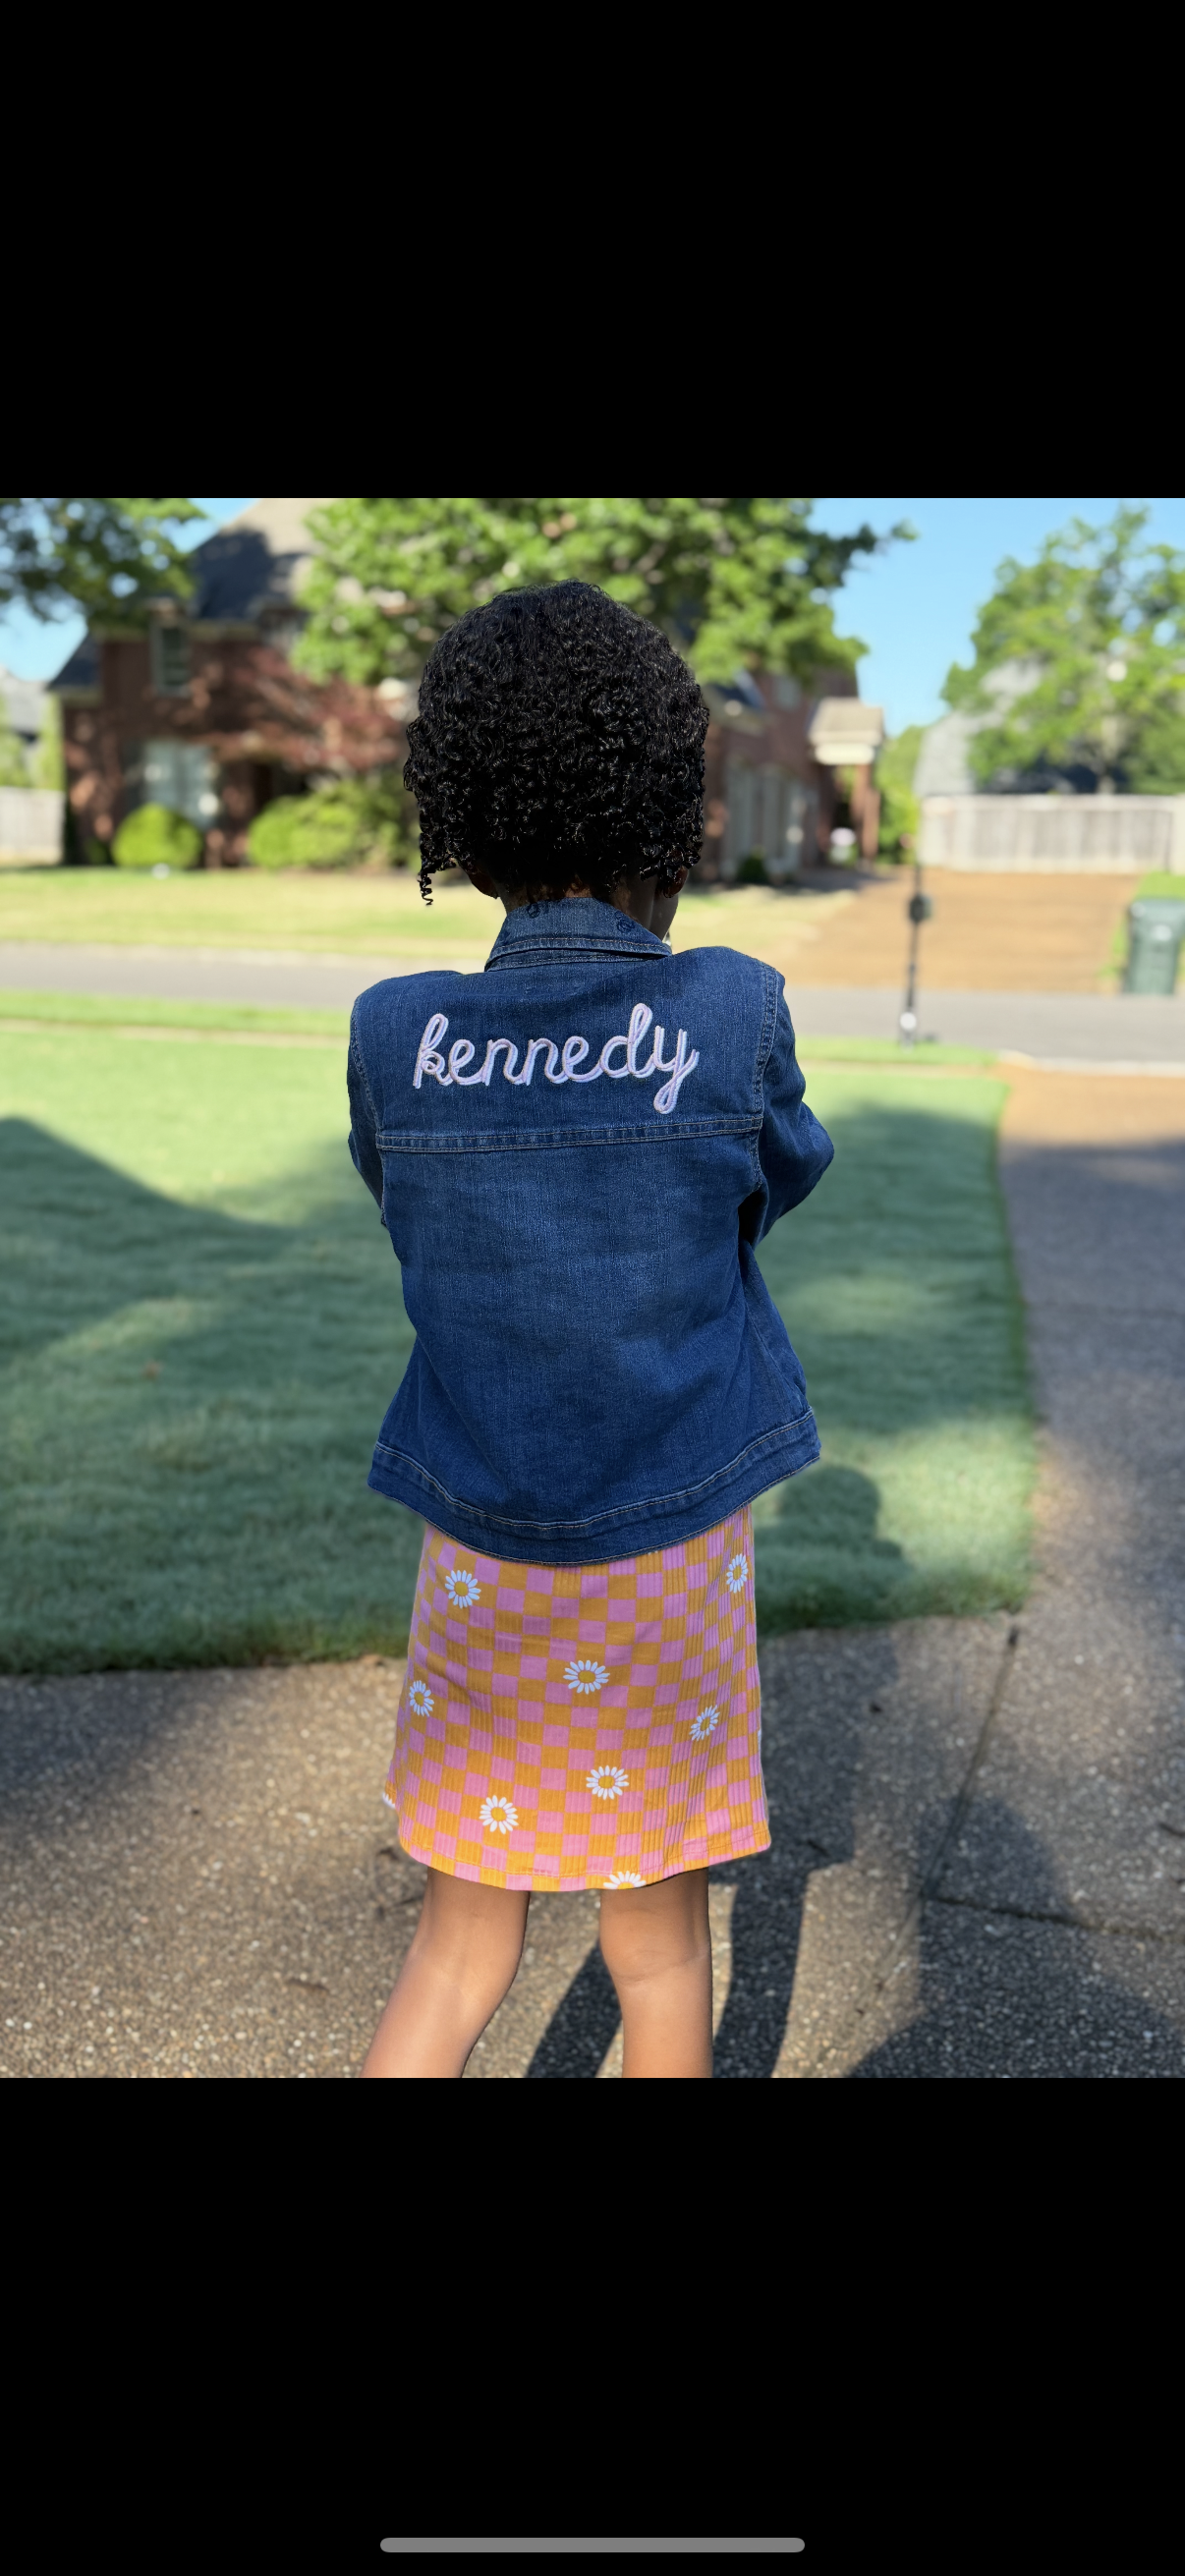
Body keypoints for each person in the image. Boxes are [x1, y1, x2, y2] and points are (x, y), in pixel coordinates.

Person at [349, 583, 833, 2077]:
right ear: (669, 812)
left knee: (456, 1941)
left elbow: (399, 1195)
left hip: (482, 1557)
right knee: (661, 1951)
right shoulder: (729, 1010)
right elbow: (775, 1176)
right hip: (666, 1558)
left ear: (465, 824)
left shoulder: (394, 1031)